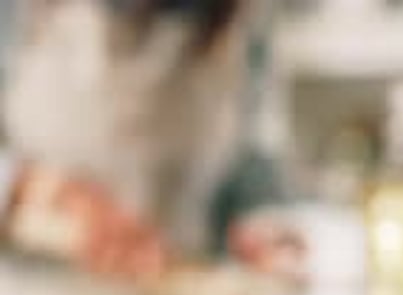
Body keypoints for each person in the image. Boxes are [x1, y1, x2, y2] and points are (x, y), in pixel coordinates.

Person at [1, 0, 284, 277]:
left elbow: (255, 164)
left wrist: (266, 225)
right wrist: (31, 187)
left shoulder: (244, 18)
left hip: (176, 291)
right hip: (31, 294)